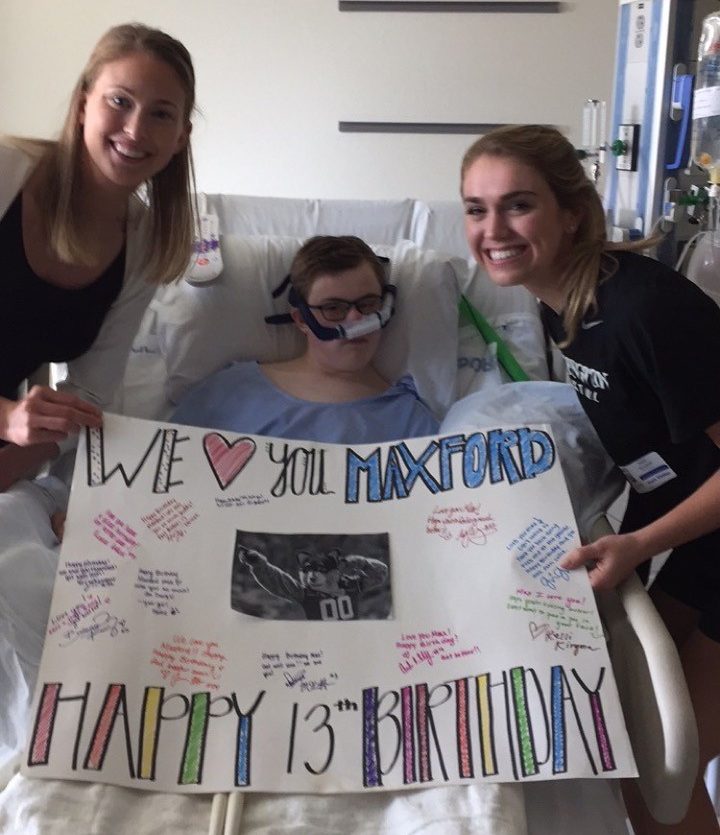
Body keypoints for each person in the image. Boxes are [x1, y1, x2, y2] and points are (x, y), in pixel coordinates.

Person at [460, 123, 720, 835]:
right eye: (476, 209)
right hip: (700, 540)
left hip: (702, 537)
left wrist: (637, 544)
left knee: (659, 766)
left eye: (518, 204)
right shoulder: (564, 307)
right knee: (639, 755)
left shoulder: (644, 311)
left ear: (570, 211)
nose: (494, 228)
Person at [0, 22, 196, 491]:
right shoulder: (6, 174)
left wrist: (16, 461)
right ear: (83, 102)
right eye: (120, 101)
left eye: (161, 114)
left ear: (181, 137)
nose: (135, 130)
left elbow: (89, 393)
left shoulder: (147, 242)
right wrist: (7, 419)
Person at [171, 234, 439, 443]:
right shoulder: (230, 392)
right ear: (301, 320)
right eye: (334, 309)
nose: (356, 320)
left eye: (368, 304)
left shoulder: (410, 421)